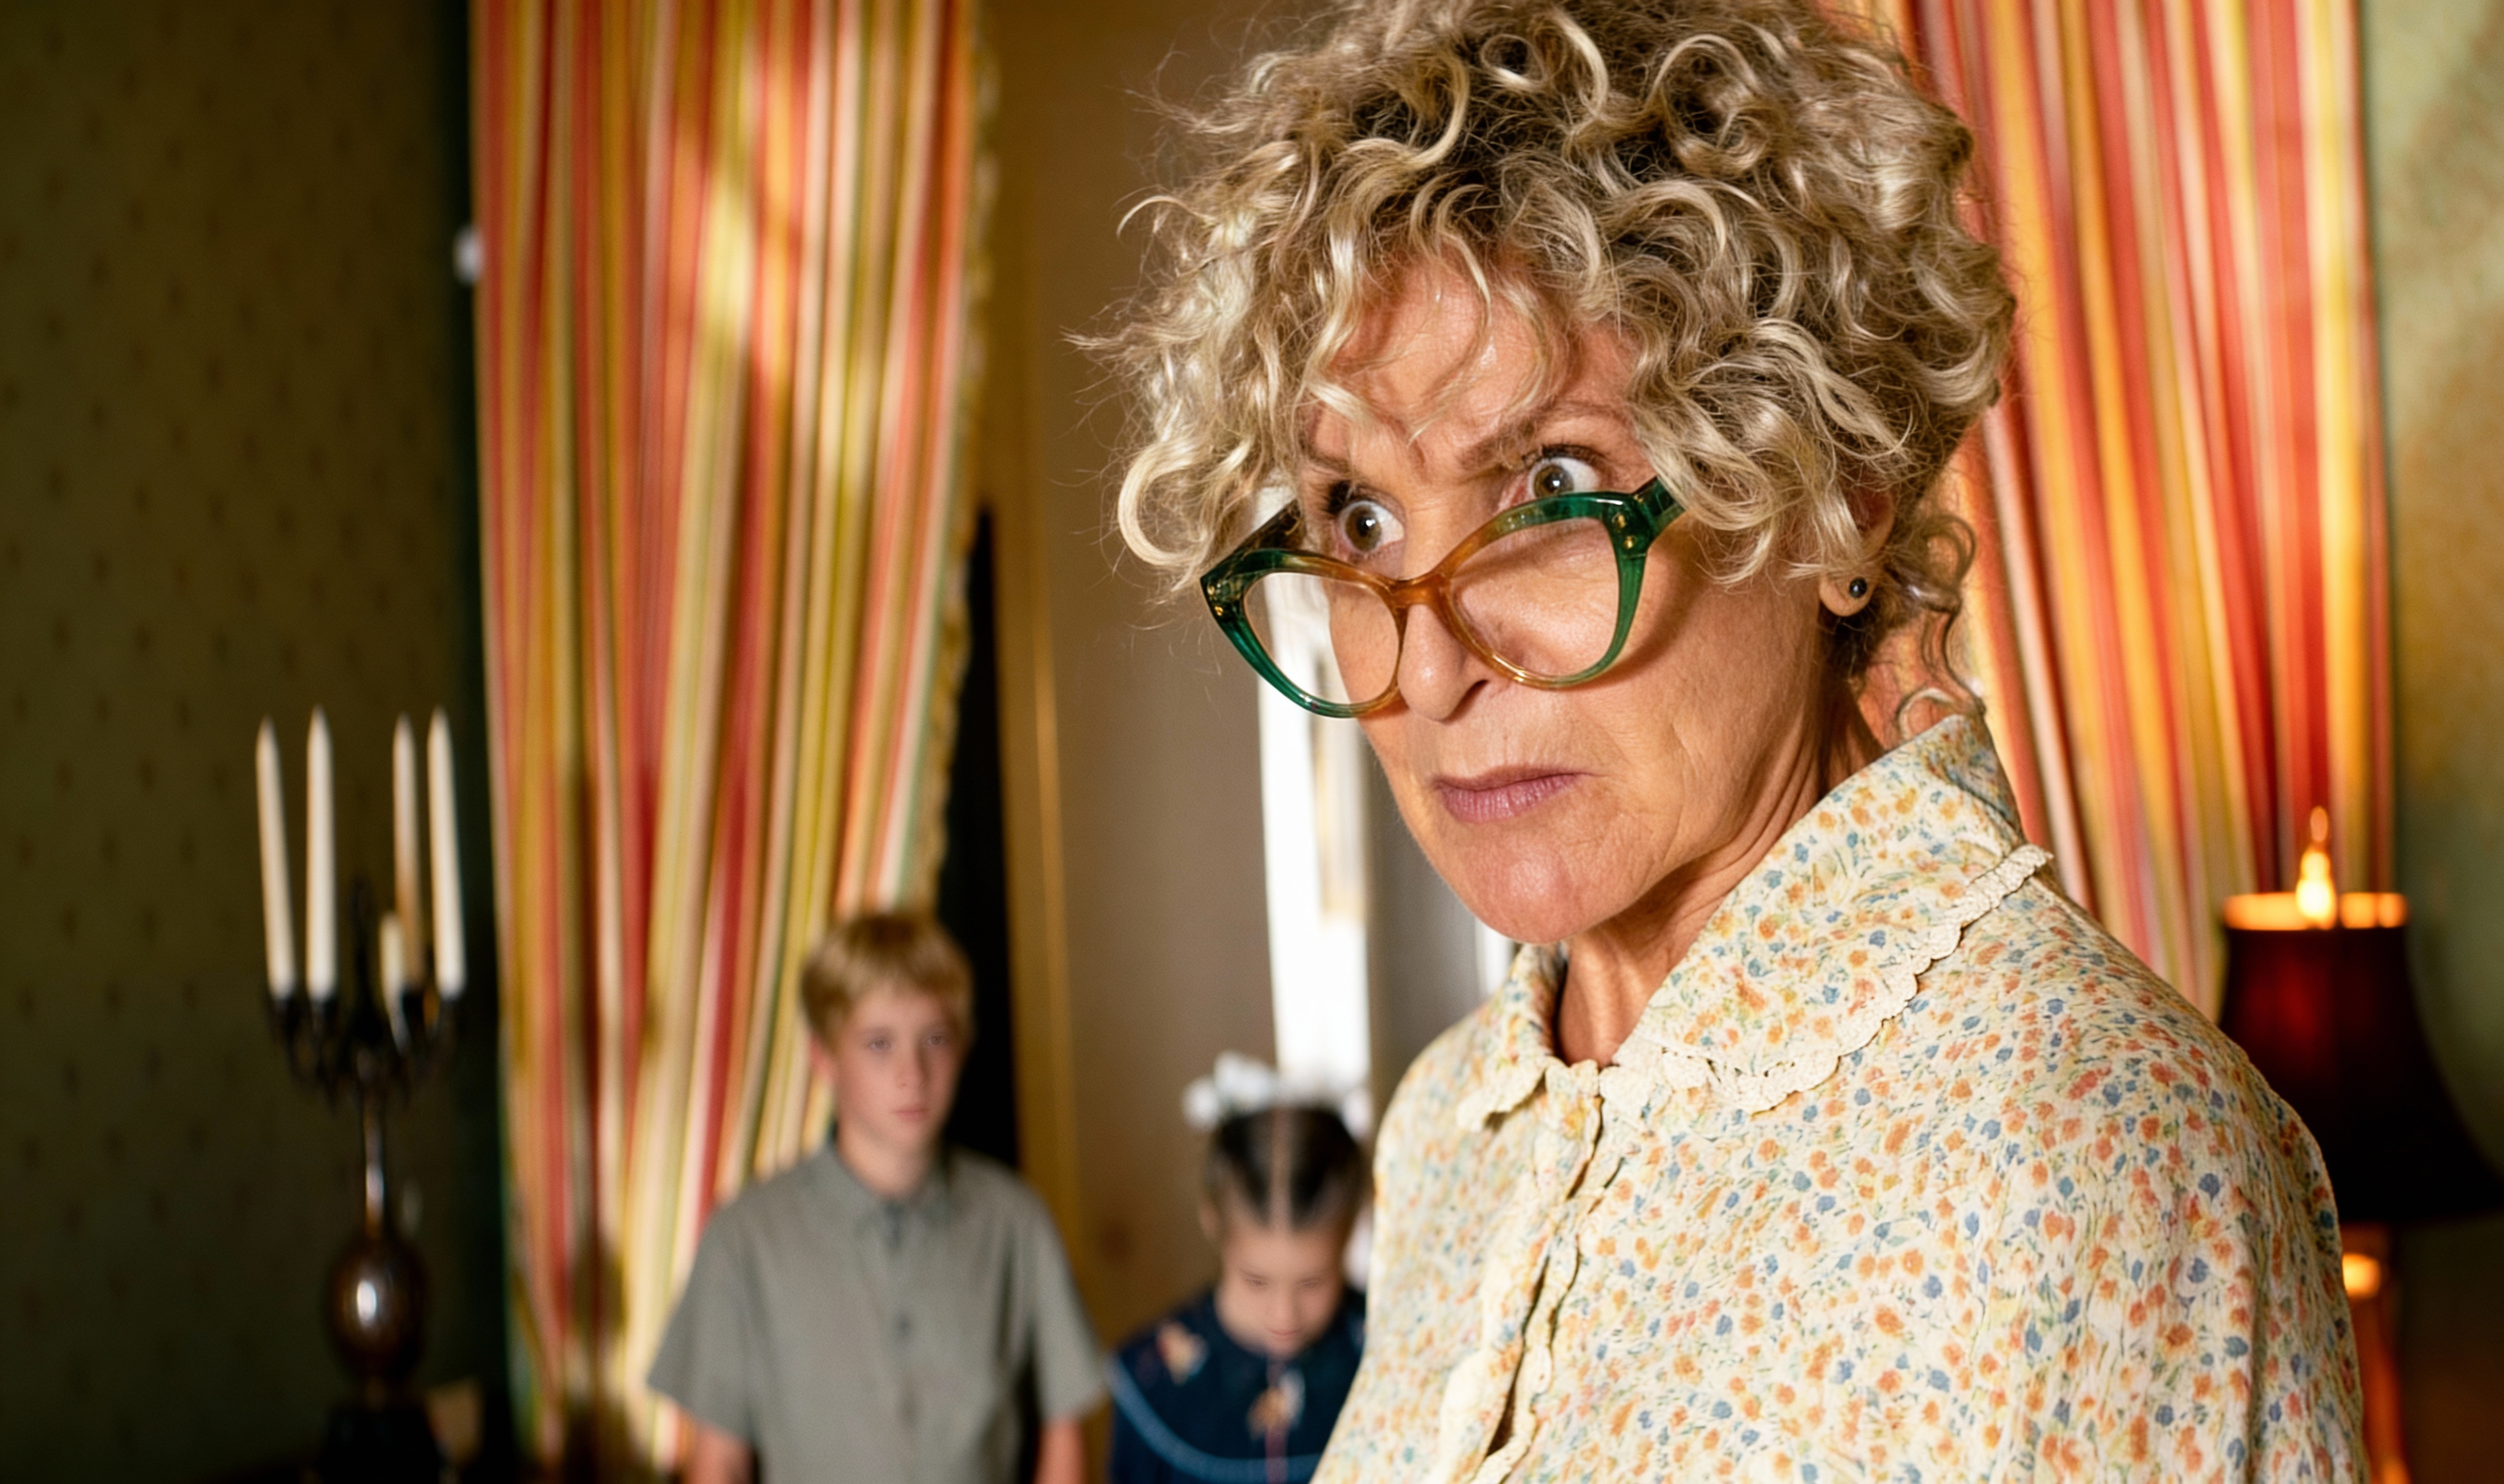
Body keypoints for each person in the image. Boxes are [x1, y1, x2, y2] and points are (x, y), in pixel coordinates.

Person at [1097, 1, 2364, 1479]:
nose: (1426, 668)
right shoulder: (1454, 1121)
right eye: (1359, 517)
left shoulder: (2093, 1150)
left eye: (1550, 485)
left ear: (1838, 497)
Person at [649, 911, 1104, 1484]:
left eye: (934, 1039)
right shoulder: (746, 1238)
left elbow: (1064, 1437)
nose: (912, 1074)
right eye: (879, 1044)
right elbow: (719, 1461)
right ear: (823, 1056)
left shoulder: (1016, 1223)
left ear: (964, 1045)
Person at [1107, 1099, 1370, 1484]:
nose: (1284, 1315)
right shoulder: (1150, 1382)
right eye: (1256, 1281)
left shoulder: (1390, 1353)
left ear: (1350, 1230)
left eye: (1312, 1283)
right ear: (1213, 1221)